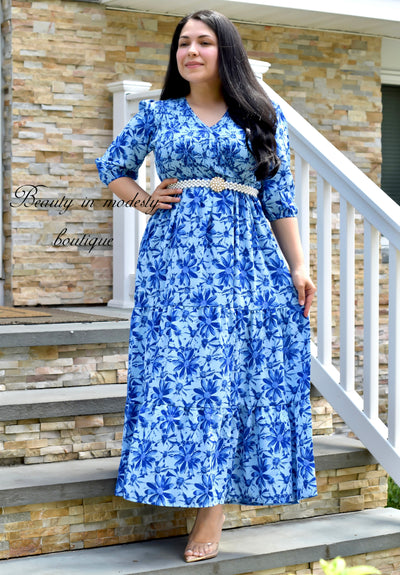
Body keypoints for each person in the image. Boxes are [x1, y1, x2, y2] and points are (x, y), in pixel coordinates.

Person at [96, 9, 318, 563]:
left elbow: (280, 198)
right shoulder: (158, 113)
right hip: (176, 263)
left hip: (247, 260)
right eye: (183, 43)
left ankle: (212, 506)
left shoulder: (262, 116)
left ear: (227, 52)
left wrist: (299, 265)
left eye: (204, 42)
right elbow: (112, 167)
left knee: (233, 373)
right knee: (181, 373)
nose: (190, 51)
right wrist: (146, 201)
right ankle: (184, 483)